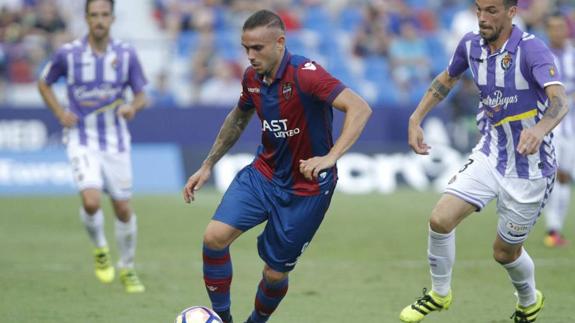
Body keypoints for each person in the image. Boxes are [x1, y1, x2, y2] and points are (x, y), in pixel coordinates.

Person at [183, 9, 372, 323]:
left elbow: (360, 108)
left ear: (280, 43)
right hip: (265, 174)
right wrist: (208, 164)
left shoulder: (306, 74)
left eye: (257, 48)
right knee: (213, 238)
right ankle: (222, 318)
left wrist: (330, 157)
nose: (250, 56)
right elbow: (238, 117)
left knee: (273, 274)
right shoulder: (251, 79)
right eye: (246, 48)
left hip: (307, 189)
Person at [398, 1, 568, 322]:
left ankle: (529, 301)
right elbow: (447, 78)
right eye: (478, 10)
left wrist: (540, 130)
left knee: (504, 253)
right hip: (490, 153)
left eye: (491, 10)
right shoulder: (470, 45)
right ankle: (439, 294)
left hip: (529, 169)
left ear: (511, 13)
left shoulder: (532, 50)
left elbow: (559, 100)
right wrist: (416, 117)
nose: (482, 18)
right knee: (440, 220)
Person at [37, 0, 147, 293]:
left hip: (116, 140)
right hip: (81, 139)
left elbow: (141, 95)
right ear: (86, 18)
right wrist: (60, 113)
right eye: (94, 15)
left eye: (104, 15)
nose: (99, 20)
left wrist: (132, 108)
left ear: (112, 18)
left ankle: (127, 267)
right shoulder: (68, 54)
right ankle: (100, 249)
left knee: (123, 208)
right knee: (91, 201)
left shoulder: (125, 54)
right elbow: (44, 83)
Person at [542, 11, 575, 247]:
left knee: (564, 176)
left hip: (571, 126)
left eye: (561, 27)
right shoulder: (541, 56)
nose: (558, 32)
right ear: (547, 30)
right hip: (549, 125)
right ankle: (552, 229)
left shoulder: (573, 54)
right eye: (553, 28)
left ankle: (556, 229)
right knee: (551, 176)